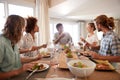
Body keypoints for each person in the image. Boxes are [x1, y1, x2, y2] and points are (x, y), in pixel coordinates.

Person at [0, 15, 42, 80]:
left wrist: (34, 58)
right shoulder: (1, 42)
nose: (24, 31)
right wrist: (18, 71)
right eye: (23, 28)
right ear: (17, 28)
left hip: (19, 76)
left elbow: (17, 58)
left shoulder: (13, 41)